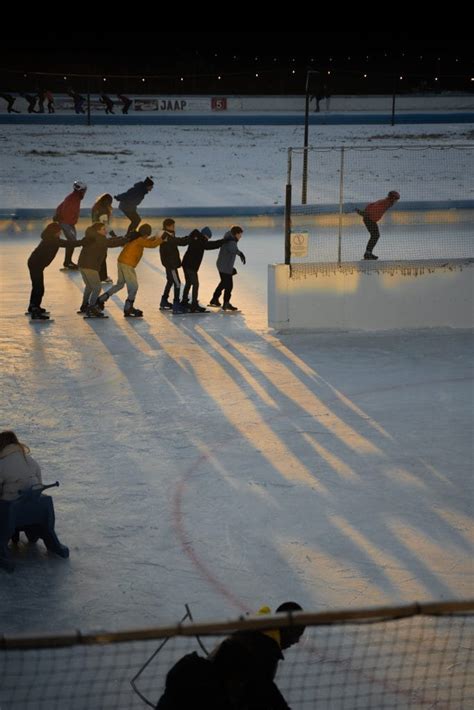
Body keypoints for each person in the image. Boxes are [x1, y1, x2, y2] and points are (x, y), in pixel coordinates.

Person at [156, 601, 305, 710]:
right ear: (287, 629)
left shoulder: (254, 630)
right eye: (297, 634)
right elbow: (263, 691)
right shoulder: (265, 652)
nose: (297, 640)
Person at [97, 223, 162, 317]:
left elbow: (147, 241)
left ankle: (101, 299)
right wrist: (162, 239)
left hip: (121, 261)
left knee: (120, 284)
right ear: (147, 233)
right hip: (128, 264)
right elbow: (152, 245)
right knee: (134, 287)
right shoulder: (140, 240)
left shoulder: (137, 237)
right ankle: (128, 307)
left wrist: (154, 237)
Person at [27, 222, 83, 319]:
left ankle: (33, 306)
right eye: (59, 231)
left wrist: (82, 242)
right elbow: (68, 243)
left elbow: (67, 243)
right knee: (39, 287)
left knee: (37, 287)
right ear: (54, 232)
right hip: (35, 264)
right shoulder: (52, 240)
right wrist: (83, 242)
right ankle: (35, 309)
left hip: (35, 264)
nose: (60, 233)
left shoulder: (51, 238)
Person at [77, 222, 129, 316]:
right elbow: (111, 243)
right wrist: (126, 239)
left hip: (82, 265)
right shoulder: (99, 239)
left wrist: (123, 237)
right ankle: (92, 307)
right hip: (90, 266)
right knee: (97, 287)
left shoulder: (93, 236)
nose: (106, 231)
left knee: (89, 286)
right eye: (103, 229)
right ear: (98, 231)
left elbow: (109, 240)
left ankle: (84, 305)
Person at [181, 227, 225, 312]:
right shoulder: (200, 241)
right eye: (208, 238)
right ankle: (194, 304)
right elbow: (210, 245)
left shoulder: (196, 238)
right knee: (195, 284)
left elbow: (208, 245)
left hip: (186, 264)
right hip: (191, 266)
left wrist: (220, 242)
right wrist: (222, 241)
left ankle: (184, 301)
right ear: (205, 235)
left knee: (189, 283)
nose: (207, 240)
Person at [209, 225, 246, 311]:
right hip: (225, 266)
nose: (241, 237)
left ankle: (214, 299)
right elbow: (233, 249)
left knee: (224, 283)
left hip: (223, 265)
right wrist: (240, 254)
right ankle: (226, 303)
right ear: (236, 234)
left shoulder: (229, 238)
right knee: (229, 285)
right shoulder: (231, 241)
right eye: (240, 234)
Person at [356, 190, 400, 260]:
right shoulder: (386, 203)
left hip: (370, 219)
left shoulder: (385, 202)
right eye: (396, 199)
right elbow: (374, 207)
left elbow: (371, 205)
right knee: (375, 235)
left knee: (375, 235)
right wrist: (364, 213)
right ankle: (367, 254)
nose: (396, 202)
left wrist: (364, 213)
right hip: (369, 219)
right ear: (393, 198)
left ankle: (368, 253)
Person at [53, 180, 88, 269]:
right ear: (81, 190)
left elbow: (60, 207)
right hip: (66, 223)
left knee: (72, 242)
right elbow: (63, 209)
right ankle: (67, 262)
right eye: (84, 190)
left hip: (68, 223)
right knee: (72, 242)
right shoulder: (73, 198)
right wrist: (63, 219)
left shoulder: (74, 197)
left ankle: (68, 261)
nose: (85, 192)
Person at [158, 218, 190, 314]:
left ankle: (164, 301)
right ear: (167, 226)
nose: (174, 227)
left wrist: (187, 238)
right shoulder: (164, 235)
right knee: (177, 283)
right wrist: (189, 238)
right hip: (170, 264)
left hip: (171, 262)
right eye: (172, 225)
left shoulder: (169, 233)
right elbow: (177, 242)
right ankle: (176, 305)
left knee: (170, 281)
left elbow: (176, 241)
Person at [0, 431, 42, 501]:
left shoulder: (2, 463)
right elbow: (39, 482)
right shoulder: (30, 459)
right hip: (34, 498)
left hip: (11, 502)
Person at [91, 193, 114, 282]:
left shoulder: (95, 207)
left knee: (98, 256)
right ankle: (103, 276)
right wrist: (113, 235)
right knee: (102, 256)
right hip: (100, 235)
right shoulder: (103, 211)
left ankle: (96, 275)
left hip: (93, 233)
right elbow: (105, 225)